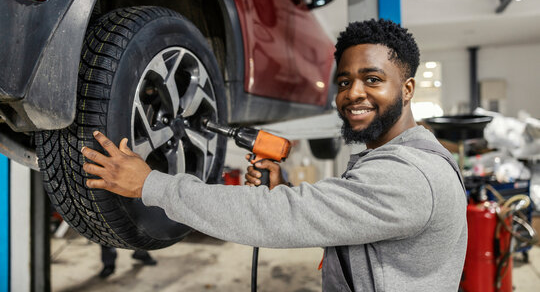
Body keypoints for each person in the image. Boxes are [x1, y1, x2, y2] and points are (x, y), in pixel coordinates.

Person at [81, 19, 467, 291]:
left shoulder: (411, 177)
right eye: (345, 81)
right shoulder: (399, 161)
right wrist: (285, 188)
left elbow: (276, 218)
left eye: (373, 79)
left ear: (409, 89)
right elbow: (347, 227)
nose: (353, 93)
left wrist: (151, 184)